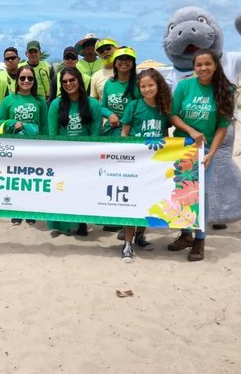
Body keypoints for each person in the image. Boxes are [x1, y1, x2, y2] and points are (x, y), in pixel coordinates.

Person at [167, 48, 233, 262]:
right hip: (182, 146)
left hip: (205, 149)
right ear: (194, 67)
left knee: (201, 194)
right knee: (182, 191)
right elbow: (172, 115)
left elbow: (222, 126)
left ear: (215, 65)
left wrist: (211, 153)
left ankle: (200, 239)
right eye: (199, 64)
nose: (203, 68)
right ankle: (185, 234)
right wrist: (191, 131)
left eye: (207, 64)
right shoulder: (184, 86)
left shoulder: (225, 90)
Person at [118, 68, 172, 262]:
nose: (147, 89)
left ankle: (140, 236)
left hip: (155, 163)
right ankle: (127, 244)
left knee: (148, 201)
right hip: (135, 163)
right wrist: (125, 157)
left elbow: (165, 135)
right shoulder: (133, 106)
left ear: (158, 85)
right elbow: (124, 134)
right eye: (143, 86)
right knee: (132, 202)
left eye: (150, 85)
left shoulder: (164, 108)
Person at [46, 67, 102, 236]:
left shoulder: (93, 104)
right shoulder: (55, 105)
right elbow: (53, 134)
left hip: (85, 156)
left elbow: (95, 134)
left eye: (72, 80)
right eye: (64, 82)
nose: (68, 84)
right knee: (63, 189)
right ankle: (63, 223)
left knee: (82, 190)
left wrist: (88, 155)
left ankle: (81, 221)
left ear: (79, 81)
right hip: (63, 155)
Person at [0, 65, 48, 226]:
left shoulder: (40, 101)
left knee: (31, 179)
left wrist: (46, 145)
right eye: (22, 78)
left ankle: (30, 210)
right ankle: (16, 211)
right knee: (16, 179)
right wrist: (13, 123)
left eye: (30, 78)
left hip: (34, 146)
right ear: (17, 80)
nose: (26, 81)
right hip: (15, 146)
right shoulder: (8, 100)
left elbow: (45, 125)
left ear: (34, 81)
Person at [100, 47, 139, 137]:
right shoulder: (109, 83)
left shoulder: (139, 83)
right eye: (121, 58)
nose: (124, 62)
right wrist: (110, 114)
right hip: (112, 130)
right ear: (115, 62)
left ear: (133, 63)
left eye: (128, 59)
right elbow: (102, 107)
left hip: (133, 132)